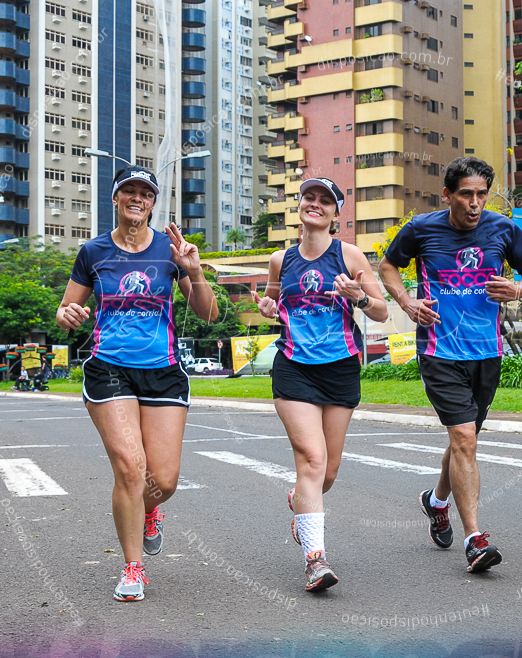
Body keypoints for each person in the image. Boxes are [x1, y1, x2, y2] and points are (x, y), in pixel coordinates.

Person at [55, 165, 218, 602]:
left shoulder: (172, 250)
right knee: (130, 469)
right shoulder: (93, 252)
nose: (136, 198)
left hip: (163, 371)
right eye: (128, 190)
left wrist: (194, 271)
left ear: (152, 202)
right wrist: (66, 315)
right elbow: (67, 309)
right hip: (109, 368)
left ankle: (149, 511)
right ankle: (133, 568)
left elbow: (208, 314)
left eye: (145, 193)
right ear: (115, 198)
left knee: (161, 480)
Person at [378, 157, 522, 573]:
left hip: (486, 353)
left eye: (481, 194)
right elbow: (388, 266)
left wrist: (518, 289)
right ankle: (475, 539)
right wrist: (407, 301)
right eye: (466, 194)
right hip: (439, 351)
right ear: (447, 194)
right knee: (465, 439)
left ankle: (435, 502)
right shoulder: (421, 229)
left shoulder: (503, 229)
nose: (474, 203)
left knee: (461, 442)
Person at [252, 177, 388, 592]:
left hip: (341, 368)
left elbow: (382, 311)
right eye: (309, 197)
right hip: (294, 366)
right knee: (311, 459)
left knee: (328, 470)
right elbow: (274, 307)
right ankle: (316, 560)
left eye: (324, 201)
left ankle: (300, 505)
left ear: (335, 213)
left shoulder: (349, 255)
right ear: (299, 205)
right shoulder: (281, 260)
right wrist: (268, 308)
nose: (315, 205)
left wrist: (358, 297)